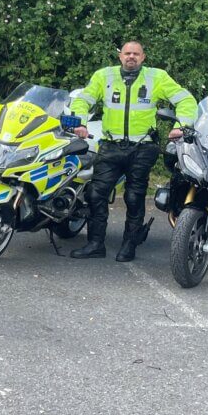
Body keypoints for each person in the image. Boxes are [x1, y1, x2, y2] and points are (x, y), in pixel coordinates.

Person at [68, 40, 198, 262]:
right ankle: (95, 243)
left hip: (142, 146)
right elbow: (82, 100)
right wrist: (80, 122)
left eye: (136, 54)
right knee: (95, 193)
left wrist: (180, 127)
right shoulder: (104, 76)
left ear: (143, 57)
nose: (131, 57)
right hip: (110, 144)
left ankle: (129, 245)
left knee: (134, 195)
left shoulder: (156, 77)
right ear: (120, 56)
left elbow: (186, 100)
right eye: (127, 53)